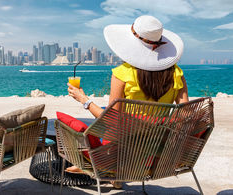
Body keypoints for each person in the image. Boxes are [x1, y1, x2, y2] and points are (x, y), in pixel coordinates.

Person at [67, 15, 189, 186]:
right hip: (157, 145)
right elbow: (185, 112)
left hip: (126, 146)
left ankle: (111, 169)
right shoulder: (177, 73)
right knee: (128, 118)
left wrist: (84, 100)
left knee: (109, 117)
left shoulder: (122, 73)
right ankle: (117, 173)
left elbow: (110, 120)